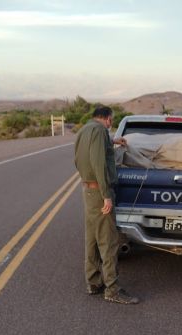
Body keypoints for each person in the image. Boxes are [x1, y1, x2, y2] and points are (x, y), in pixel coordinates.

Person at [74, 106, 140, 305]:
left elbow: (80, 158)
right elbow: (99, 163)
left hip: (88, 189)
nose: (111, 124)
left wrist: (113, 141)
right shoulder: (100, 131)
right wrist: (106, 195)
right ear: (107, 119)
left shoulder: (85, 130)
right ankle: (112, 289)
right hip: (99, 192)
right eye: (111, 121)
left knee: (92, 238)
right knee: (108, 241)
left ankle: (93, 282)